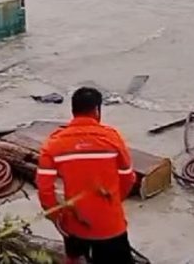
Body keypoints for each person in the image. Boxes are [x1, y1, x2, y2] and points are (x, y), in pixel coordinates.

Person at [36, 87, 136, 264]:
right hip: (111, 225)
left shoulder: (54, 144)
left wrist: (57, 217)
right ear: (97, 111)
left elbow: (44, 190)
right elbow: (128, 178)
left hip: (75, 225)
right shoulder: (112, 138)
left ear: (73, 111)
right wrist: (112, 201)